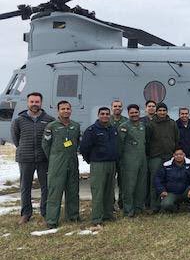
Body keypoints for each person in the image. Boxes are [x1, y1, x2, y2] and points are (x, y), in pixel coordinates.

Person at [11, 91, 54, 224]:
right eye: (32, 102)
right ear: (27, 102)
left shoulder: (49, 120)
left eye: (37, 102)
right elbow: (16, 139)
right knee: (25, 187)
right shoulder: (19, 120)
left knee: (46, 186)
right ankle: (26, 214)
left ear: (41, 103)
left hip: (43, 159)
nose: (34, 104)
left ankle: (46, 212)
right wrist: (25, 149)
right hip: (25, 158)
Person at [42, 100, 80, 228]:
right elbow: (45, 145)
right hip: (57, 164)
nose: (66, 111)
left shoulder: (75, 126)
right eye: (63, 109)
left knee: (73, 191)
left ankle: (73, 216)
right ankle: (52, 220)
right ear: (58, 111)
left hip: (72, 163)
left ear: (71, 110)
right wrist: (54, 158)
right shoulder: (51, 126)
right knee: (55, 192)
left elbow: (77, 143)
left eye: (68, 109)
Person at [79, 107, 118, 228]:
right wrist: (90, 159)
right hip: (98, 164)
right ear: (98, 115)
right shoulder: (92, 130)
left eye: (107, 114)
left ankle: (108, 214)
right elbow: (84, 148)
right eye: (102, 114)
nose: (105, 116)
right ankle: (97, 218)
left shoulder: (112, 129)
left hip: (111, 163)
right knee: (98, 191)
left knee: (109, 191)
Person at [146, 103, 179, 212]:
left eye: (164, 110)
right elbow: (147, 141)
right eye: (160, 110)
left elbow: (177, 139)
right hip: (155, 157)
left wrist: (175, 153)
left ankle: (167, 205)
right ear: (156, 111)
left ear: (167, 111)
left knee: (169, 181)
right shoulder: (150, 124)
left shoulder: (172, 124)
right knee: (155, 181)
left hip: (169, 156)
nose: (162, 112)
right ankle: (154, 206)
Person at [118, 104, 148, 218]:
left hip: (142, 160)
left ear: (139, 113)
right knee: (129, 187)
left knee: (141, 186)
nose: (134, 114)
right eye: (132, 113)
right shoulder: (124, 127)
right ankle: (128, 210)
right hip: (129, 161)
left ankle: (139, 208)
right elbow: (119, 145)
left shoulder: (142, 125)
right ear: (128, 113)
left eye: (136, 112)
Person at [154, 148, 190, 214]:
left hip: (186, 192)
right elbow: (158, 179)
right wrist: (162, 190)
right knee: (165, 205)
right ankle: (175, 208)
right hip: (172, 193)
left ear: (184, 155)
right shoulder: (166, 165)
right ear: (173, 155)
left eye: (180, 154)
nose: (179, 156)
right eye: (176, 154)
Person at [110, 99, 128, 210]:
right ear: (112, 107)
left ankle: (122, 202)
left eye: (119, 106)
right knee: (110, 182)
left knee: (123, 181)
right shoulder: (107, 120)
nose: (117, 108)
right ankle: (111, 203)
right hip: (111, 156)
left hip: (123, 156)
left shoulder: (126, 121)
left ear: (122, 108)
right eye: (115, 106)